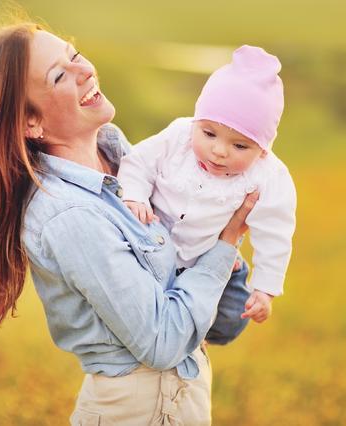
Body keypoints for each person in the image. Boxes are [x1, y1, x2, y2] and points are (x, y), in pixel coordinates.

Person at [0, 23, 259, 425]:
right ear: (30, 124)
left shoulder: (130, 163)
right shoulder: (68, 216)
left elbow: (220, 327)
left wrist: (221, 245)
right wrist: (224, 245)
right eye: (59, 75)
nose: (83, 70)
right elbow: (163, 342)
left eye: (73, 55)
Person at [118, 45, 297, 326]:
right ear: (196, 122)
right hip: (146, 248)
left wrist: (265, 289)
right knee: (142, 315)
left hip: (200, 264)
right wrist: (135, 195)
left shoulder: (268, 176)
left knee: (213, 322)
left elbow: (275, 234)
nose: (219, 151)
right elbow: (138, 162)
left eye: (239, 145)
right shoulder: (178, 136)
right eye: (209, 134)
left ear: (262, 149)